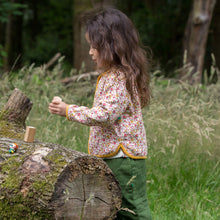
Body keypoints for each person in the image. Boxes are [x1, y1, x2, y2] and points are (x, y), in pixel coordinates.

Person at [49, 8, 152, 220]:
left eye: (93, 46)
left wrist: (68, 110)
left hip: (123, 158)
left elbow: (104, 115)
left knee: (132, 209)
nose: (90, 52)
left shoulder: (118, 78)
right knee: (113, 207)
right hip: (114, 156)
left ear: (110, 46)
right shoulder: (113, 76)